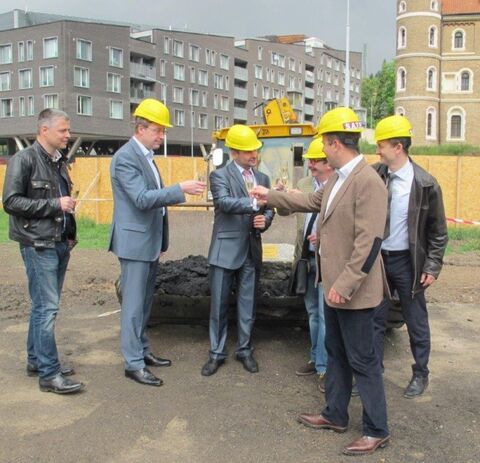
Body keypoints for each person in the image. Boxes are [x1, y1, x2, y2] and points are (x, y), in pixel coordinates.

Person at [252, 107, 390, 456]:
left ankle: (377, 429)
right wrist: (269, 196)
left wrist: (343, 285)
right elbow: (310, 201)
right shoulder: (339, 180)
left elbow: (369, 243)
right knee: (337, 354)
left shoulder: (367, 181)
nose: (320, 153)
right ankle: (335, 414)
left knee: (364, 360)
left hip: (353, 292)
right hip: (334, 288)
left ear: (332, 143)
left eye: (322, 145)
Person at [109, 98, 205, 387]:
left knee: (145, 303)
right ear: (141, 129)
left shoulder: (146, 158)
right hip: (135, 245)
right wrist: (180, 189)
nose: (162, 137)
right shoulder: (126, 158)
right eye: (158, 131)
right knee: (134, 306)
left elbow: (155, 205)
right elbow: (142, 200)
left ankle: (143, 350)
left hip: (148, 242)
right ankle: (133, 363)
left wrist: (162, 238)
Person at [2, 108, 84, 394]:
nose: (68, 135)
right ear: (44, 131)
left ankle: (37, 360)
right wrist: (55, 205)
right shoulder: (23, 160)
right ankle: (50, 373)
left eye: (67, 130)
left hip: (59, 243)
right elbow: (10, 202)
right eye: (63, 130)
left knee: (41, 307)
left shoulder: (58, 162)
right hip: (38, 245)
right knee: (47, 309)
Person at [372, 115, 448, 398]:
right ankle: (372, 371)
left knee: (416, 320)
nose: (378, 150)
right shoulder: (375, 174)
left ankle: (421, 374)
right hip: (378, 261)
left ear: (398, 147)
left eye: (381, 145)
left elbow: (439, 232)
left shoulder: (426, 184)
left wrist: (432, 265)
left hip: (408, 263)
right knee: (374, 318)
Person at [201, 125, 275, 376]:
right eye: (247, 151)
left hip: (251, 250)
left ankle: (244, 349)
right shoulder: (219, 176)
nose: (254, 154)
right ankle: (216, 353)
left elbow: (269, 209)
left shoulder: (263, 178)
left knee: (247, 304)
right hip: (225, 249)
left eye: (255, 149)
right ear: (234, 152)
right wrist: (255, 203)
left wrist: (265, 219)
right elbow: (223, 202)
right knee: (218, 305)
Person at [277, 139, 333, 387]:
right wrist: (279, 197)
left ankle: (324, 366)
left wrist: (324, 236)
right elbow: (285, 212)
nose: (310, 165)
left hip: (327, 261)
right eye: (310, 160)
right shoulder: (304, 184)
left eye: (315, 161)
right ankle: (315, 357)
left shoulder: (338, 186)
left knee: (324, 314)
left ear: (328, 163)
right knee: (312, 313)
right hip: (306, 259)